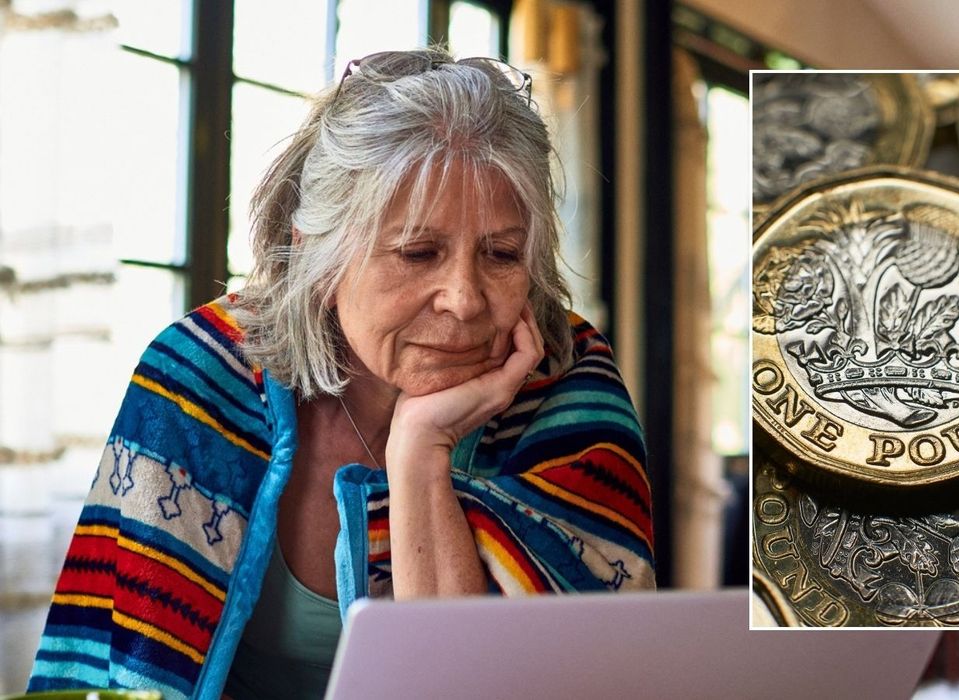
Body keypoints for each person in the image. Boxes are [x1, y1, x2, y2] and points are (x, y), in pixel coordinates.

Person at [27, 48, 654, 700]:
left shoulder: (567, 386)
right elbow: (111, 673)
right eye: (418, 252)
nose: (465, 300)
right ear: (320, 258)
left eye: (500, 253)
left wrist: (419, 453)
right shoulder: (200, 374)